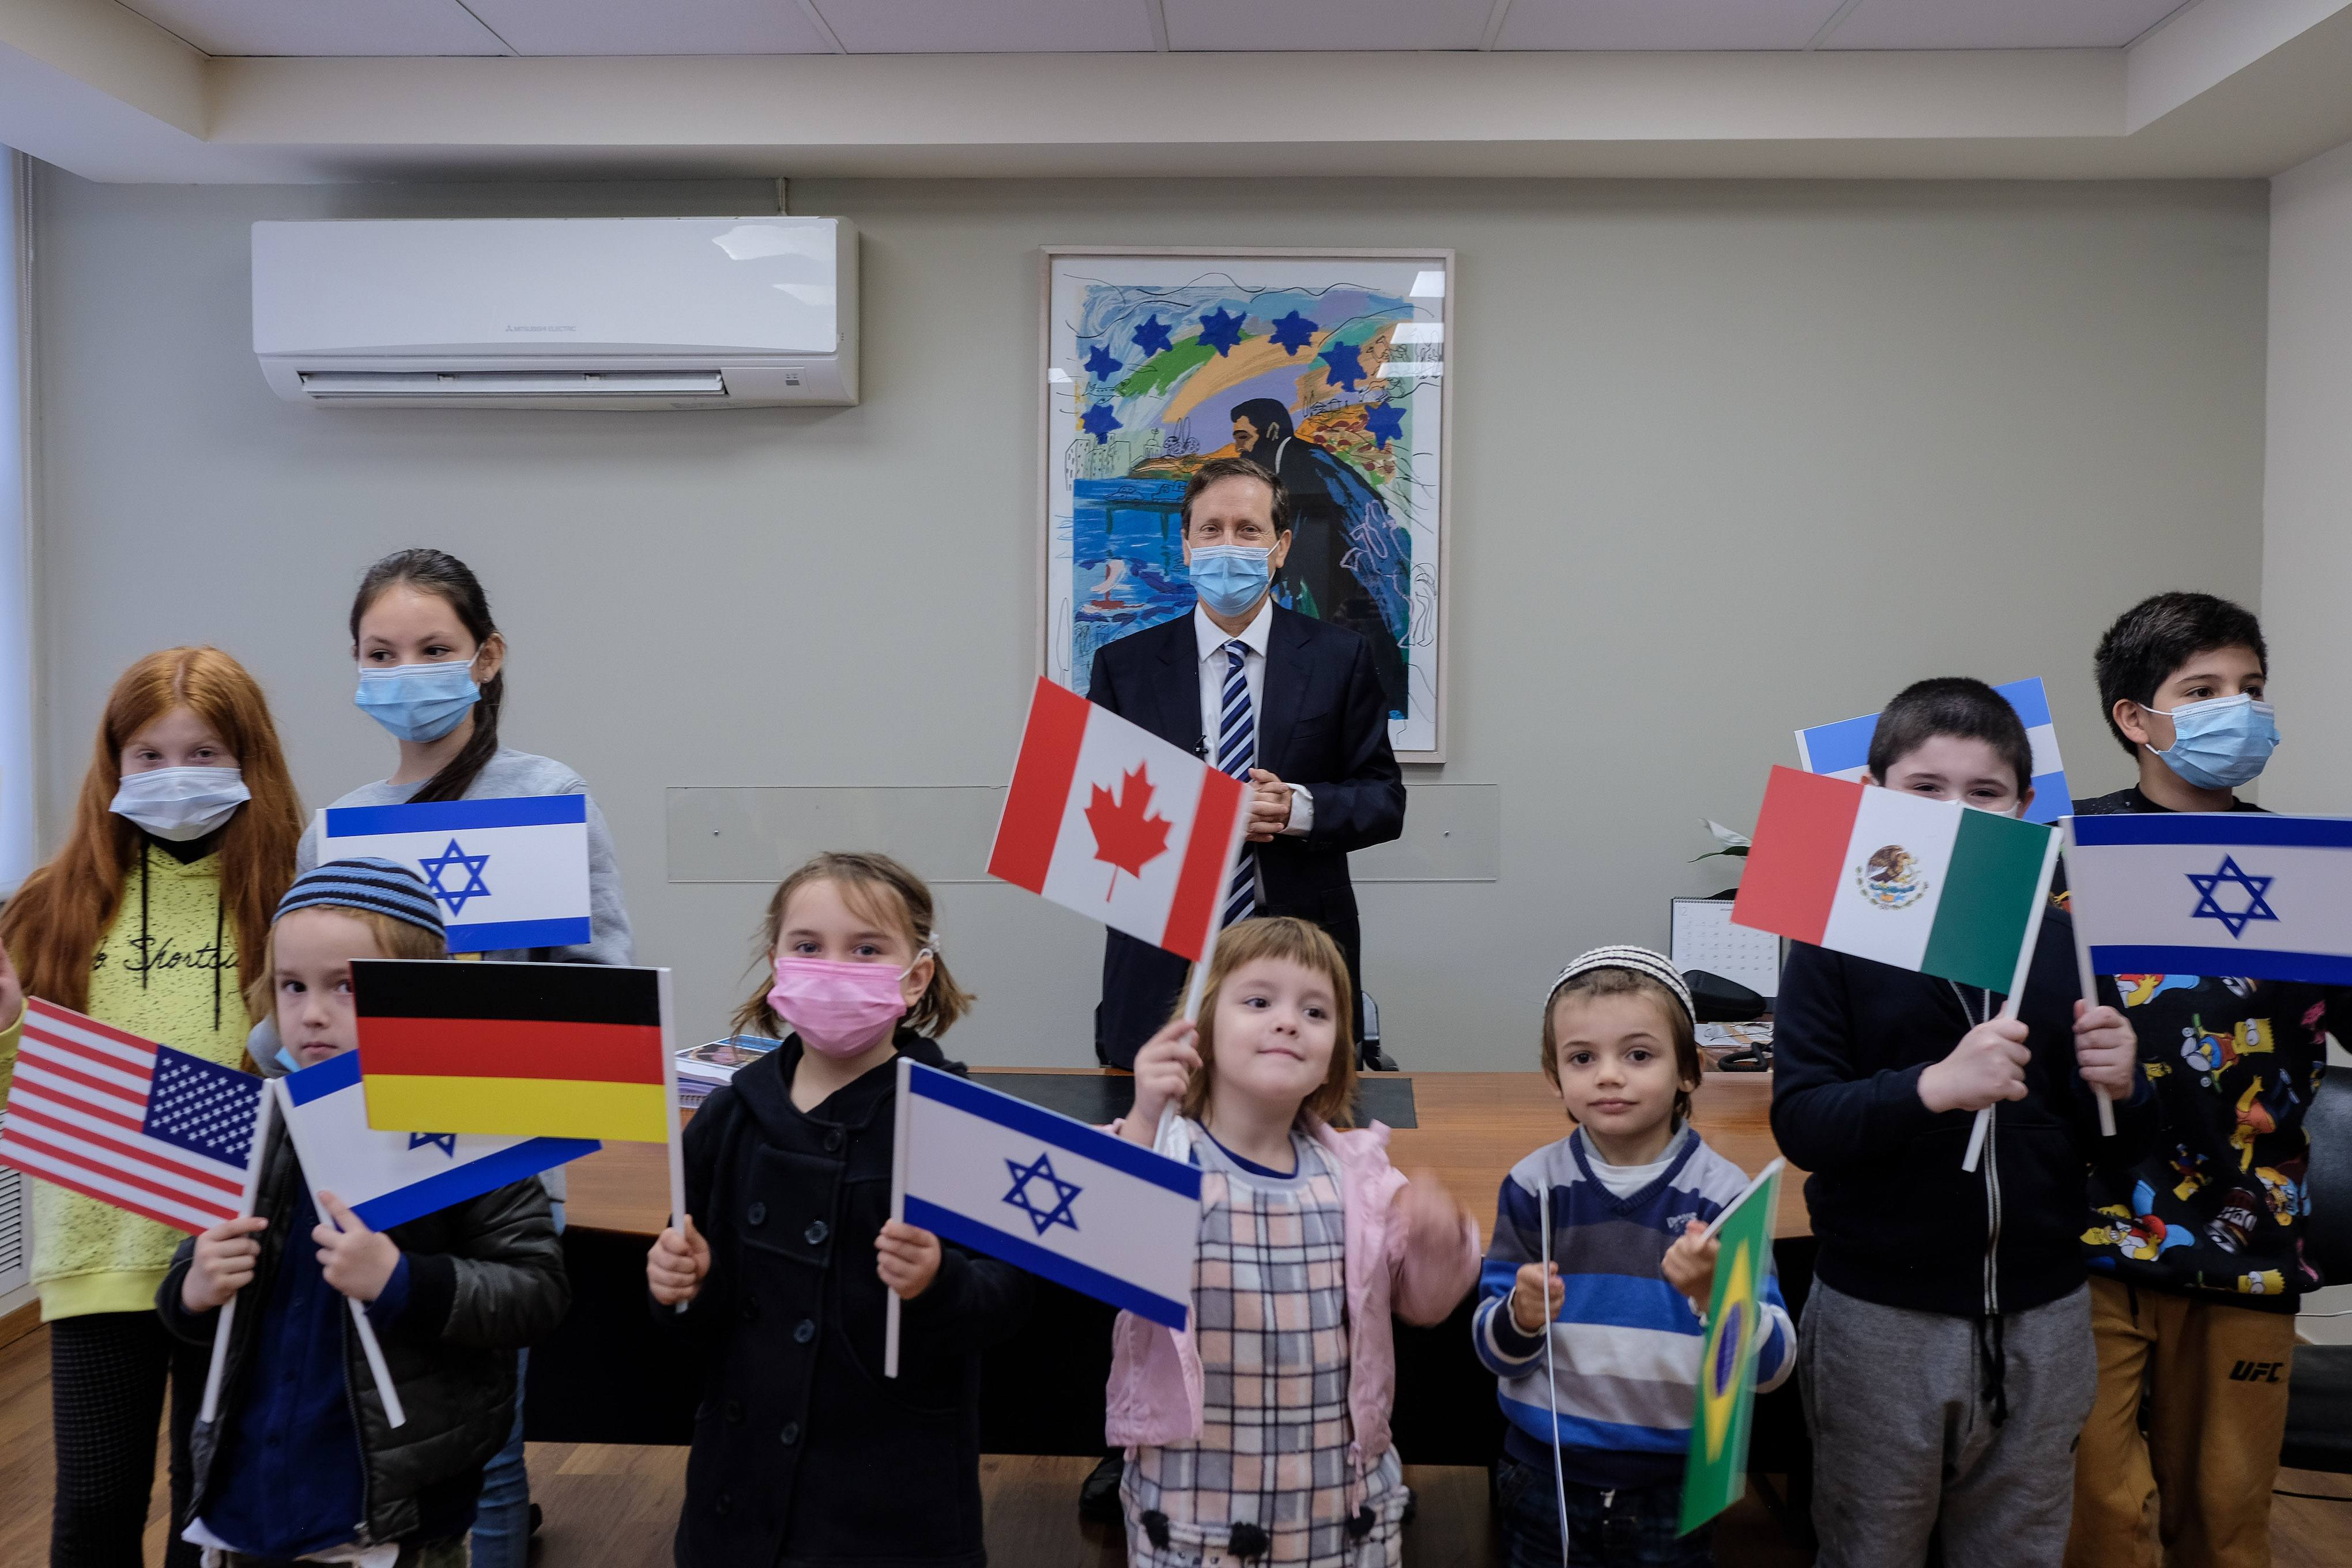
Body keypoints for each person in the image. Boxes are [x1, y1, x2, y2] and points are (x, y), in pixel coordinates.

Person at [267, 546, 636, 1565]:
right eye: (380, 653)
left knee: (492, 1448)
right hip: (359, 1175)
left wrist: (456, 1015)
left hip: (492, 1177)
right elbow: (297, 1007)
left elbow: (601, 991)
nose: (407, 671)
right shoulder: (338, 829)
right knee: (388, 1433)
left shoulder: (548, 793)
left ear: (486, 657)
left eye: (433, 648)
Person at [1771, 677, 2155, 1568]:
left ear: (2026, 811)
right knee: (1871, 1544)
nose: (1955, 814)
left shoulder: (2063, 945)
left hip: (2045, 1314)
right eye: (1926, 790)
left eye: (1984, 795)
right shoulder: (1832, 940)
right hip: (1883, 1317)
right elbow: (1805, 1121)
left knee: (2018, 1545)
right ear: (1871, 801)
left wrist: (2127, 1089)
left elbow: (2118, 1148)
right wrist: (1933, 1087)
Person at [160, 859, 571, 1568]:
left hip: (390, 1510)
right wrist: (193, 1287)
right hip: (248, 1496)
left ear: (419, 997)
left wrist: (401, 1279)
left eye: (345, 986)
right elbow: (189, 1286)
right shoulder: (257, 1119)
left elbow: (535, 1292)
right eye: (293, 986)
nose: (312, 1012)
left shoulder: (467, 1127)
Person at [0, 646, 302, 1568]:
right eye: (151, 755)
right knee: (93, 1507)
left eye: (205, 754)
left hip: (244, 1253)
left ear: (251, 762)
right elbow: (23, 1104)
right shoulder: (47, 911)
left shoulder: (297, 899)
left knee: (210, 1511)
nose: (177, 776)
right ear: (114, 765)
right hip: (97, 1252)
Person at [2063, 593, 2347, 1568]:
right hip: (2084, 1234)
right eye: (2204, 690)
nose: (2239, 708)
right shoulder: (2062, 853)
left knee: (2228, 1520)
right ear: (2134, 719)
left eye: (2251, 689)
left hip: (2246, 1237)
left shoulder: (2310, 870)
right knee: (2098, 1517)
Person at [644, 852, 1031, 1567]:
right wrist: (679, 1284)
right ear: (776, 965)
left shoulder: (955, 1117)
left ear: (915, 975)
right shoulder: (730, 1116)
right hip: (741, 1481)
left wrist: (938, 1280)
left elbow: (1007, 1298)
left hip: (887, 1494)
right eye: (808, 946)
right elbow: (691, 1317)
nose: (833, 966)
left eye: (866, 948)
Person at [1110, 915, 1480, 1567]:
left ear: (1336, 1050)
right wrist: (1144, 1115)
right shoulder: (1164, 1151)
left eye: (1314, 1010)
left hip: (1333, 1503)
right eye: (1258, 1001)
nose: (1288, 1021)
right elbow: (1109, 1237)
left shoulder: (1358, 1175)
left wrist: (1438, 1238)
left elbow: (1426, 1300)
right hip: (1200, 1502)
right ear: (1199, 1030)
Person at [1473, 948, 1795, 1567]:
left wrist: (1716, 1295)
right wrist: (1521, 1313)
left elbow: (1773, 1367)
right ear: (1554, 1074)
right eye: (1582, 1057)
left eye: (1639, 1054)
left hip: (1674, 1486)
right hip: (1545, 1475)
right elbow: (1492, 1349)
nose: (1609, 1075)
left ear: (1690, 1071)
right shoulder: (1533, 1186)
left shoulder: (1726, 1196)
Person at [1086, 456, 1405, 1071]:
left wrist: (1299, 809)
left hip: (1301, 946)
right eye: (1211, 529)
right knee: (1152, 1140)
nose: (1228, 544)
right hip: (1158, 952)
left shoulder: (1342, 659)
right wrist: (1186, 815)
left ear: (1280, 546)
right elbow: (1093, 814)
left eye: (1248, 529)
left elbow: (1383, 798)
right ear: (1186, 544)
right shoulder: (1123, 667)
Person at [1227, 398, 1411, 714]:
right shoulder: (1298, 460)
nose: (1238, 448)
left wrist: (1269, 584)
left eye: (1244, 436)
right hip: (1345, 576)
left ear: (1271, 432)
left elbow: (1302, 536)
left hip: (1348, 577)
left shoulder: (1301, 465)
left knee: (1359, 650)